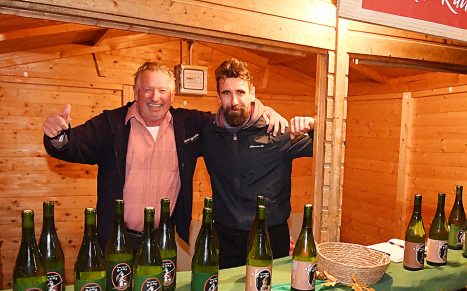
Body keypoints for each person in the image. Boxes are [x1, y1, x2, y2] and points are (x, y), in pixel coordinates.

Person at [42, 62, 287, 251]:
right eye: (147, 90)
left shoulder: (190, 125)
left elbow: (232, 117)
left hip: (163, 239)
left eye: (162, 91)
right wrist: (59, 136)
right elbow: (73, 145)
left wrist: (266, 111)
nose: (155, 97)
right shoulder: (110, 124)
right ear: (136, 92)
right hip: (115, 239)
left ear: (172, 96)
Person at [201, 58, 314, 269]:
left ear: (252, 93)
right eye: (226, 93)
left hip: (271, 236)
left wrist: (314, 125)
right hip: (226, 238)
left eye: (241, 92)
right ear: (218, 96)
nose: (234, 101)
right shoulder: (209, 133)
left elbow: (329, 148)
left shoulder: (278, 132)